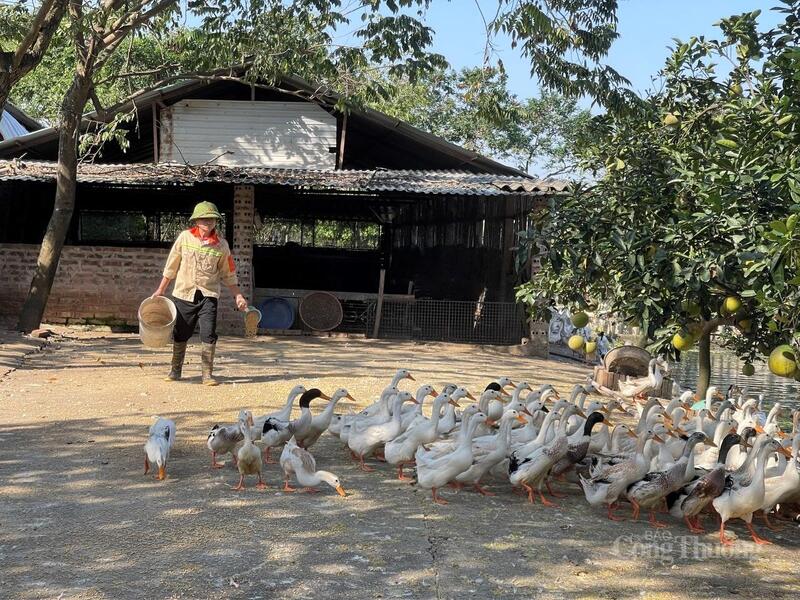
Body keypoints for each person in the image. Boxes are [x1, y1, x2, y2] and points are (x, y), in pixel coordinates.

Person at [152, 201, 248, 385]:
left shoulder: (221, 246)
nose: (208, 222)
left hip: (208, 295)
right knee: (181, 333)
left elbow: (228, 274)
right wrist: (161, 289)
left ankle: (207, 375)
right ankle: (175, 370)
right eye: (204, 219)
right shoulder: (185, 238)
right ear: (196, 220)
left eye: (212, 219)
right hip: (183, 294)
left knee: (208, 333)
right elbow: (171, 266)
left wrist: (238, 295)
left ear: (215, 222)